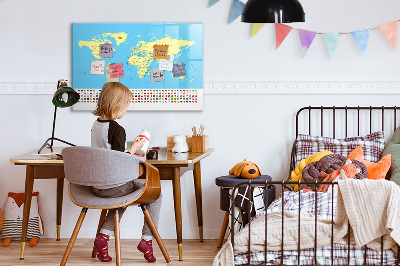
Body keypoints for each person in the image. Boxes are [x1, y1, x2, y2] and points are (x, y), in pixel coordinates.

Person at [91, 82, 161, 263]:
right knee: (156, 194)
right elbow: (119, 161)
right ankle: (147, 240)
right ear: (117, 105)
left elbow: (108, 154)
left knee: (121, 197)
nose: (126, 110)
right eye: (126, 106)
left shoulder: (96, 125)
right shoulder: (117, 129)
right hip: (114, 186)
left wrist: (131, 149)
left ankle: (103, 238)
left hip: (97, 186)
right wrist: (136, 148)